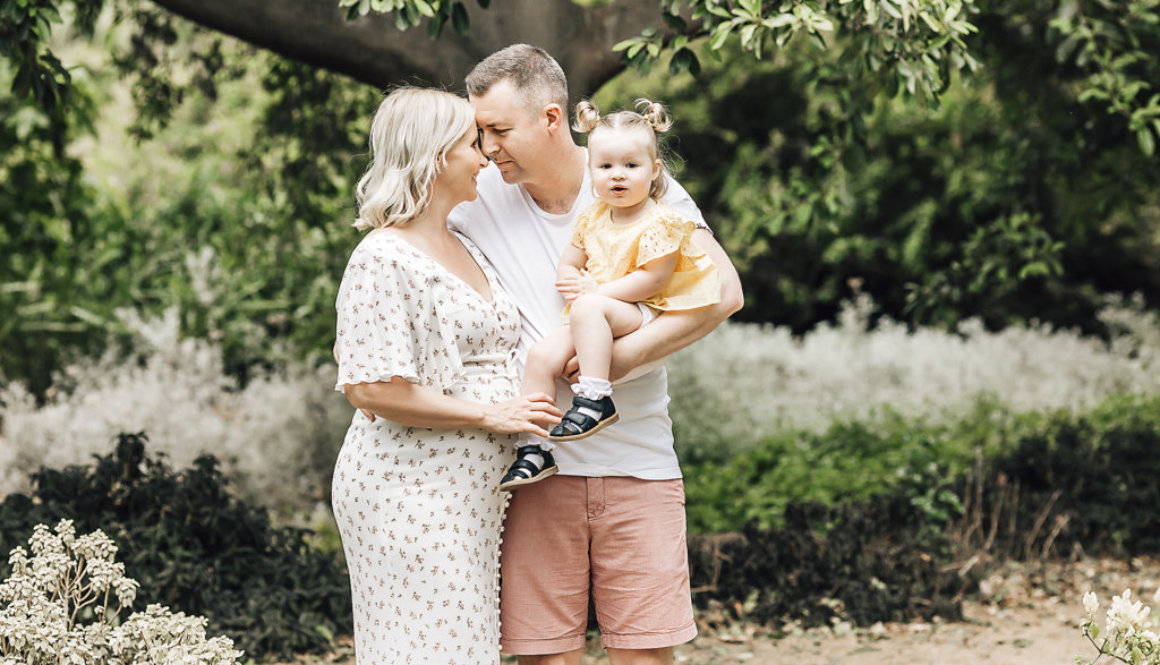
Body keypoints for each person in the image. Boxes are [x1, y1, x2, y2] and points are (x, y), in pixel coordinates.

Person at [448, 44, 744, 665]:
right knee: (543, 656)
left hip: (638, 461)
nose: (488, 147)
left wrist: (621, 358)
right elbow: (401, 241)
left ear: (551, 119)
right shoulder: (475, 196)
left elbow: (723, 293)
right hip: (533, 467)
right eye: (480, 132)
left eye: (500, 130)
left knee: (642, 654)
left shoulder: (629, 174)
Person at [331, 87, 562, 665]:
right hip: (406, 489)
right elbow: (371, 388)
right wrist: (491, 414)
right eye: (470, 143)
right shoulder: (382, 256)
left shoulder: (464, 244)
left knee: (462, 646)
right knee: (430, 650)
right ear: (436, 157)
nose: (485, 155)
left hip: (469, 494)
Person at [498, 98, 721, 491]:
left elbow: (652, 280)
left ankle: (596, 396)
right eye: (606, 167)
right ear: (591, 170)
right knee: (540, 357)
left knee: (588, 309)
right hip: (594, 312)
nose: (617, 176)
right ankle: (534, 448)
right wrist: (571, 279)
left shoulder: (662, 220)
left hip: (638, 312)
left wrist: (594, 291)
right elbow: (569, 262)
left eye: (630, 166)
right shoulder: (593, 216)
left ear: (653, 171)